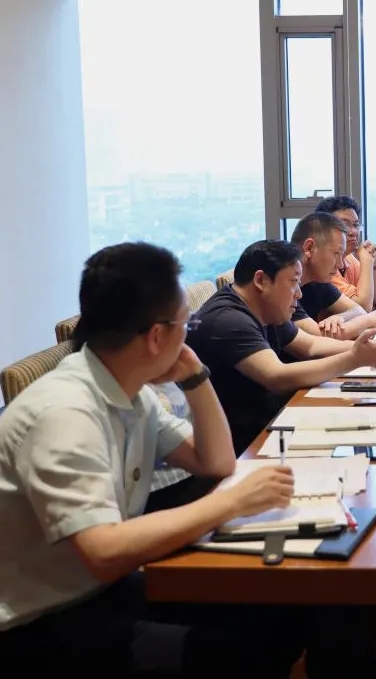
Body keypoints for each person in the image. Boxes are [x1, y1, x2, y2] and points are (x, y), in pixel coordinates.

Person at [0, 243, 342, 676]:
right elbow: (103, 550)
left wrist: (196, 376)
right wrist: (231, 503)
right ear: (157, 337)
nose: (190, 334)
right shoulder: (64, 412)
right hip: (40, 623)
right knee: (240, 650)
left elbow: (216, 463)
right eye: (187, 325)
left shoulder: (131, 393)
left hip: (98, 589)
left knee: (281, 614)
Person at [187, 239, 376, 453]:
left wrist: (372, 349)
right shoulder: (228, 320)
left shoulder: (265, 307)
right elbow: (277, 377)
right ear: (261, 280)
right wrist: (355, 358)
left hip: (271, 423)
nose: (299, 293)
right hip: (244, 446)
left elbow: (311, 346)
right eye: (293, 282)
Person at [289, 211, 376, 340]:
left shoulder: (317, 283)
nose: (340, 264)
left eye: (355, 225)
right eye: (336, 253)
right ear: (309, 248)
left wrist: (340, 317)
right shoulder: (287, 287)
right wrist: (370, 320)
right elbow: (317, 339)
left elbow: (359, 310)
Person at [315, 195, 376, 310]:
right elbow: (363, 307)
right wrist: (367, 262)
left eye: (355, 225)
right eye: (344, 225)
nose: (353, 232)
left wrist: (375, 264)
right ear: (324, 229)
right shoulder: (323, 265)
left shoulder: (348, 259)